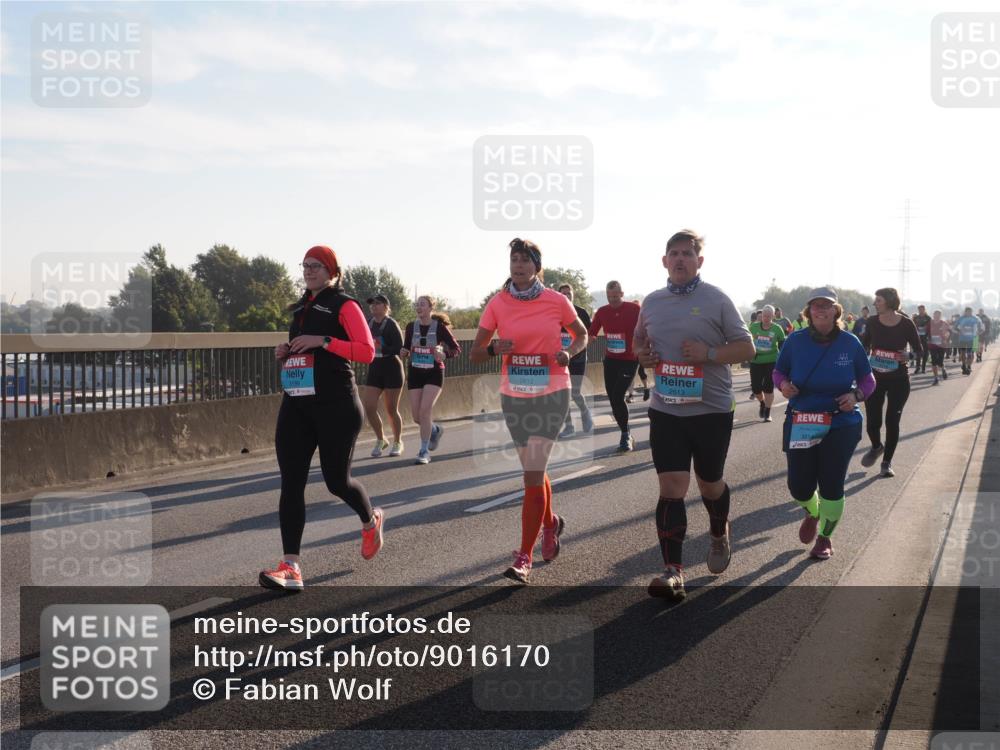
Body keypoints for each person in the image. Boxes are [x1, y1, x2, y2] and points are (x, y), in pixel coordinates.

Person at [635, 229, 755, 601]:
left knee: (709, 483)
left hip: (711, 410)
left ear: (699, 261)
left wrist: (709, 354)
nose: (680, 259)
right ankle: (673, 571)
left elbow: (747, 348)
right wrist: (642, 354)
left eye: (687, 253)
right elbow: (639, 338)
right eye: (674, 253)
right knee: (672, 486)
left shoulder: (717, 299)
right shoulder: (652, 302)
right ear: (664, 261)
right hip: (666, 408)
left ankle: (718, 533)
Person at [261, 245, 384, 590]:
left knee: (336, 482)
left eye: (316, 265)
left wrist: (324, 340)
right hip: (297, 404)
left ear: (332, 271)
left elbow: (366, 352)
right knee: (291, 482)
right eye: (305, 265)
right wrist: (286, 353)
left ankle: (370, 519)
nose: (309, 270)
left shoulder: (345, 305)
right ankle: (291, 566)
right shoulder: (301, 308)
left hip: (337, 405)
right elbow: (306, 351)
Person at [471, 238, 588, 584]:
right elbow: (475, 352)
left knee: (532, 475)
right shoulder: (498, 303)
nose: (519, 265)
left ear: (537, 266)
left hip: (552, 393)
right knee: (534, 472)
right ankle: (550, 524)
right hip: (515, 395)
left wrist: (570, 353)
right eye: (514, 259)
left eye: (525, 260)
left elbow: (582, 334)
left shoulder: (556, 301)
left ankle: (524, 556)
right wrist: (494, 349)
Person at [773, 287, 875, 560]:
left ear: (835, 310)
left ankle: (825, 537)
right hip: (802, 420)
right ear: (809, 311)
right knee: (799, 486)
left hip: (841, 422)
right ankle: (813, 512)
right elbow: (779, 371)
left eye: (826, 305)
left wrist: (855, 396)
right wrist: (783, 385)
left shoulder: (850, 342)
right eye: (816, 305)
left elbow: (868, 380)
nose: (820, 310)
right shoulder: (795, 341)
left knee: (831, 485)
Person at [859, 288, 922, 478]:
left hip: (899, 380)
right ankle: (877, 446)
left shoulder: (906, 323)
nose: (874, 304)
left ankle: (886, 463)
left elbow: (919, 350)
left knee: (892, 421)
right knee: (873, 423)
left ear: (889, 301)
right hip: (875, 379)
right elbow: (863, 346)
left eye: (878, 300)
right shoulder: (872, 322)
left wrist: (909, 355)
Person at [400, 296, 461, 464]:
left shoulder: (439, 328)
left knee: (425, 411)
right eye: (417, 304)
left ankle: (424, 451)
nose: (419, 307)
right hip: (415, 373)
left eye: (422, 304)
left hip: (434, 373)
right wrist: (404, 351)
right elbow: (406, 347)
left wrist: (444, 354)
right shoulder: (411, 327)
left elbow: (456, 349)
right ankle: (435, 430)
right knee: (416, 417)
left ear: (430, 308)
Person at [589, 281, 642, 452]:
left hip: (629, 359)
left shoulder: (634, 309)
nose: (612, 300)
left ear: (622, 294)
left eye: (615, 296)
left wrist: (643, 346)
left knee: (618, 396)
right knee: (613, 399)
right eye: (609, 296)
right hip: (611, 360)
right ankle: (625, 431)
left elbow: (647, 327)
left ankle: (625, 435)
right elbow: (592, 332)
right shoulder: (602, 312)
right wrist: (587, 341)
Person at [362, 294, 405, 457]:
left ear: (386, 307)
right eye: (372, 304)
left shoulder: (391, 324)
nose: (373, 306)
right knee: (369, 406)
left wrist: (379, 346)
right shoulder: (368, 323)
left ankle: (398, 442)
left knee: (391, 409)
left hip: (392, 368)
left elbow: (399, 348)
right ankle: (381, 439)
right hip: (375, 367)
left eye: (377, 304)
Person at [557, 284, 594, 437]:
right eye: (563, 294)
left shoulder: (581, 312)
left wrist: (579, 348)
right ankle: (569, 427)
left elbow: (590, 335)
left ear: (573, 295)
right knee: (562, 394)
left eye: (569, 294)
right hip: (560, 359)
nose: (566, 296)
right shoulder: (554, 312)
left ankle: (585, 412)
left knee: (575, 392)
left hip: (578, 358)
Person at [748, 304, 785, 422]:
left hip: (771, 361)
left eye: (769, 316)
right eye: (764, 315)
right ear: (761, 315)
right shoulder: (753, 327)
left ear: (773, 316)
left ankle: (767, 412)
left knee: (768, 387)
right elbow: (747, 341)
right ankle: (762, 403)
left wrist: (783, 360)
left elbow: (782, 345)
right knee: (756, 388)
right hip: (756, 360)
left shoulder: (777, 329)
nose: (766, 318)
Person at [954, 307, 984, 375]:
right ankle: (964, 364)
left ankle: (969, 366)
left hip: (974, 339)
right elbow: (955, 327)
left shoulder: (976, 318)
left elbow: (982, 328)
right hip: (962, 338)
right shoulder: (961, 318)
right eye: (967, 312)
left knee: (971, 354)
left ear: (972, 312)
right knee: (963, 353)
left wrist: (978, 333)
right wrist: (958, 332)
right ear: (965, 312)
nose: (968, 313)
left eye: (970, 312)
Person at [927, 309, 951, 385]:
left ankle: (943, 369)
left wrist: (946, 336)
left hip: (942, 345)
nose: (936, 316)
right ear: (933, 315)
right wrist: (927, 339)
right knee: (934, 361)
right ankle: (936, 378)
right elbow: (926, 333)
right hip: (932, 345)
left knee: (940, 362)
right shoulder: (930, 323)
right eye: (935, 315)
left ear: (940, 316)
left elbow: (948, 332)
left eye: (938, 315)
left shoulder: (944, 323)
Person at [912, 305, 931, 374]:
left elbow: (931, 327)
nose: (921, 311)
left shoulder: (928, 318)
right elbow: (912, 326)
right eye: (919, 309)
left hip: (925, 337)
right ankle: (918, 367)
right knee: (918, 352)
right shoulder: (915, 318)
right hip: (917, 337)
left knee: (925, 353)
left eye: (922, 309)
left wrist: (929, 336)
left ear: (924, 309)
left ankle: (923, 368)